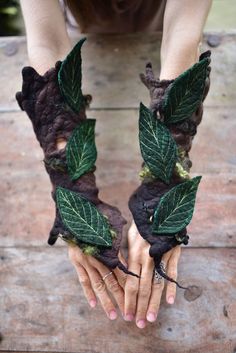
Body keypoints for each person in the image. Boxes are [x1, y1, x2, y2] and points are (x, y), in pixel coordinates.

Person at [20, 0, 212, 329]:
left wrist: (164, 189)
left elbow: (183, 34)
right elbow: (47, 40)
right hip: (81, 32)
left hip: (163, 28)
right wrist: (72, 191)